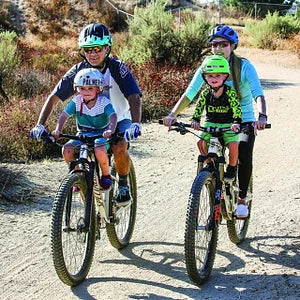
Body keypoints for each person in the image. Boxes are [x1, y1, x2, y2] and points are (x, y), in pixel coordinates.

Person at [30, 23, 142, 206]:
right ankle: (85, 199)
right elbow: (54, 97)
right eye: (87, 49)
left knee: (120, 146)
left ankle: (122, 183)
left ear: (107, 48)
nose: (92, 53)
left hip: (119, 118)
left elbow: (134, 96)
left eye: (97, 48)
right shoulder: (78, 70)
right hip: (90, 124)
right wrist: (40, 124)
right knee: (72, 151)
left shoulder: (117, 68)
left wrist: (135, 124)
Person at [163, 24, 267, 218]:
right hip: (216, 119)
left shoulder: (244, 66)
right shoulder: (207, 66)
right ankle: (210, 179)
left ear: (233, 46)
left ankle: (242, 199)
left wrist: (261, 116)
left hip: (241, 118)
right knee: (203, 143)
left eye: (223, 44)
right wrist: (172, 115)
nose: (218, 48)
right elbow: (190, 94)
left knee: (243, 148)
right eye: (214, 45)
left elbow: (257, 94)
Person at [51, 68, 117, 191]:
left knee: (100, 149)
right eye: (82, 88)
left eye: (90, 88)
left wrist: (111, 130)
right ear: (77, 89)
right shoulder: (77, 101)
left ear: (98, 89)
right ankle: (78, 177)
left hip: (101, 135)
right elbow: (64, 115)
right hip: (82, 134)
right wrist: (58, 129)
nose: (86, 91)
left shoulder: (103, 102)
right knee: (67, 149)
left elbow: (113, 116)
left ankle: (106, 175)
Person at [191, 55, 242, 181]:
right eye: (210, 76)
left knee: (234, 145)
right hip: (211, 123)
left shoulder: (229, 92)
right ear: (205, 77)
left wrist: (236, 122)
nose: (214, 79)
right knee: (201, 142)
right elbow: (198, 108)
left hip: (228, 124)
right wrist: (195, 120)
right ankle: (209, 165)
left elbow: (236, 108)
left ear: (225, 76)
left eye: (218, 75)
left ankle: (232, 168)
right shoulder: (205, 94)